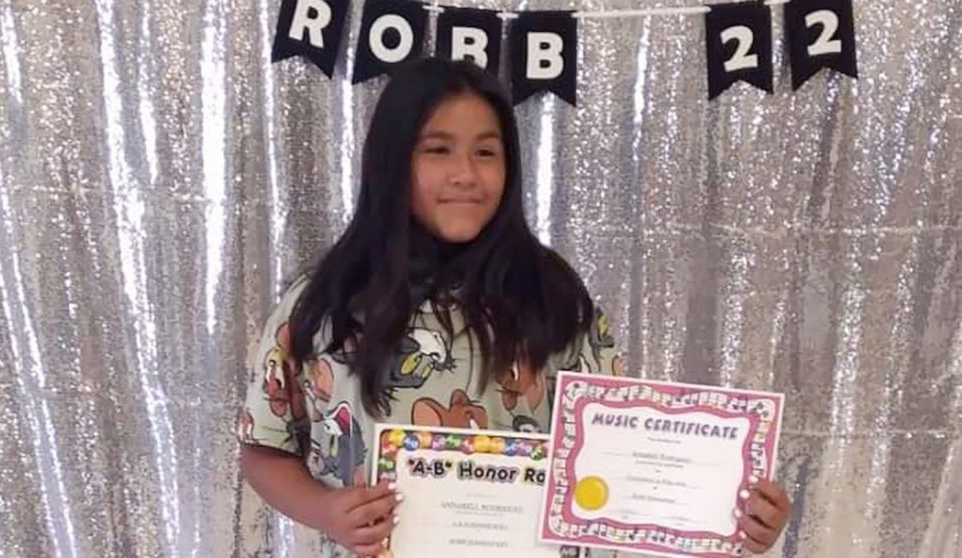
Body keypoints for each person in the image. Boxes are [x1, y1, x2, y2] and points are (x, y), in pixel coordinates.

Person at [237, 57, 791, 558]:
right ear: (391, 162)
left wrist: (727, 514)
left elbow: (622, 455)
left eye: (486, 151)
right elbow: (265, 446)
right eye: (437, 149)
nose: (466, 174)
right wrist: (327, 512)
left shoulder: (552, 297)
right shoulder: (323, 304)